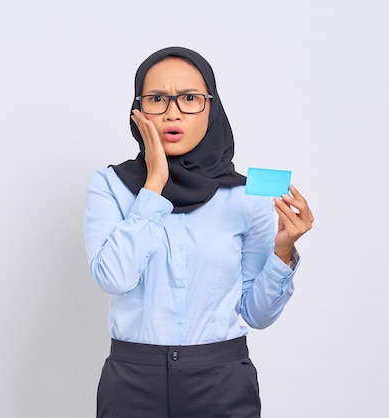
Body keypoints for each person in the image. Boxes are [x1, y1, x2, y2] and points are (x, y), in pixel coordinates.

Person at [84, 46, 314, 418]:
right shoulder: (110, 186)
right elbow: (114, 277)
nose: (173, 112)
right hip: (133, 382)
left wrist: (283, 251)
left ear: (212, 106)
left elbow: (256, 314)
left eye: (190, 98)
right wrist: (154, 184)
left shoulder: (244, 196)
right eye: (157, 99)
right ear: (137, 109)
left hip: (221, 381)